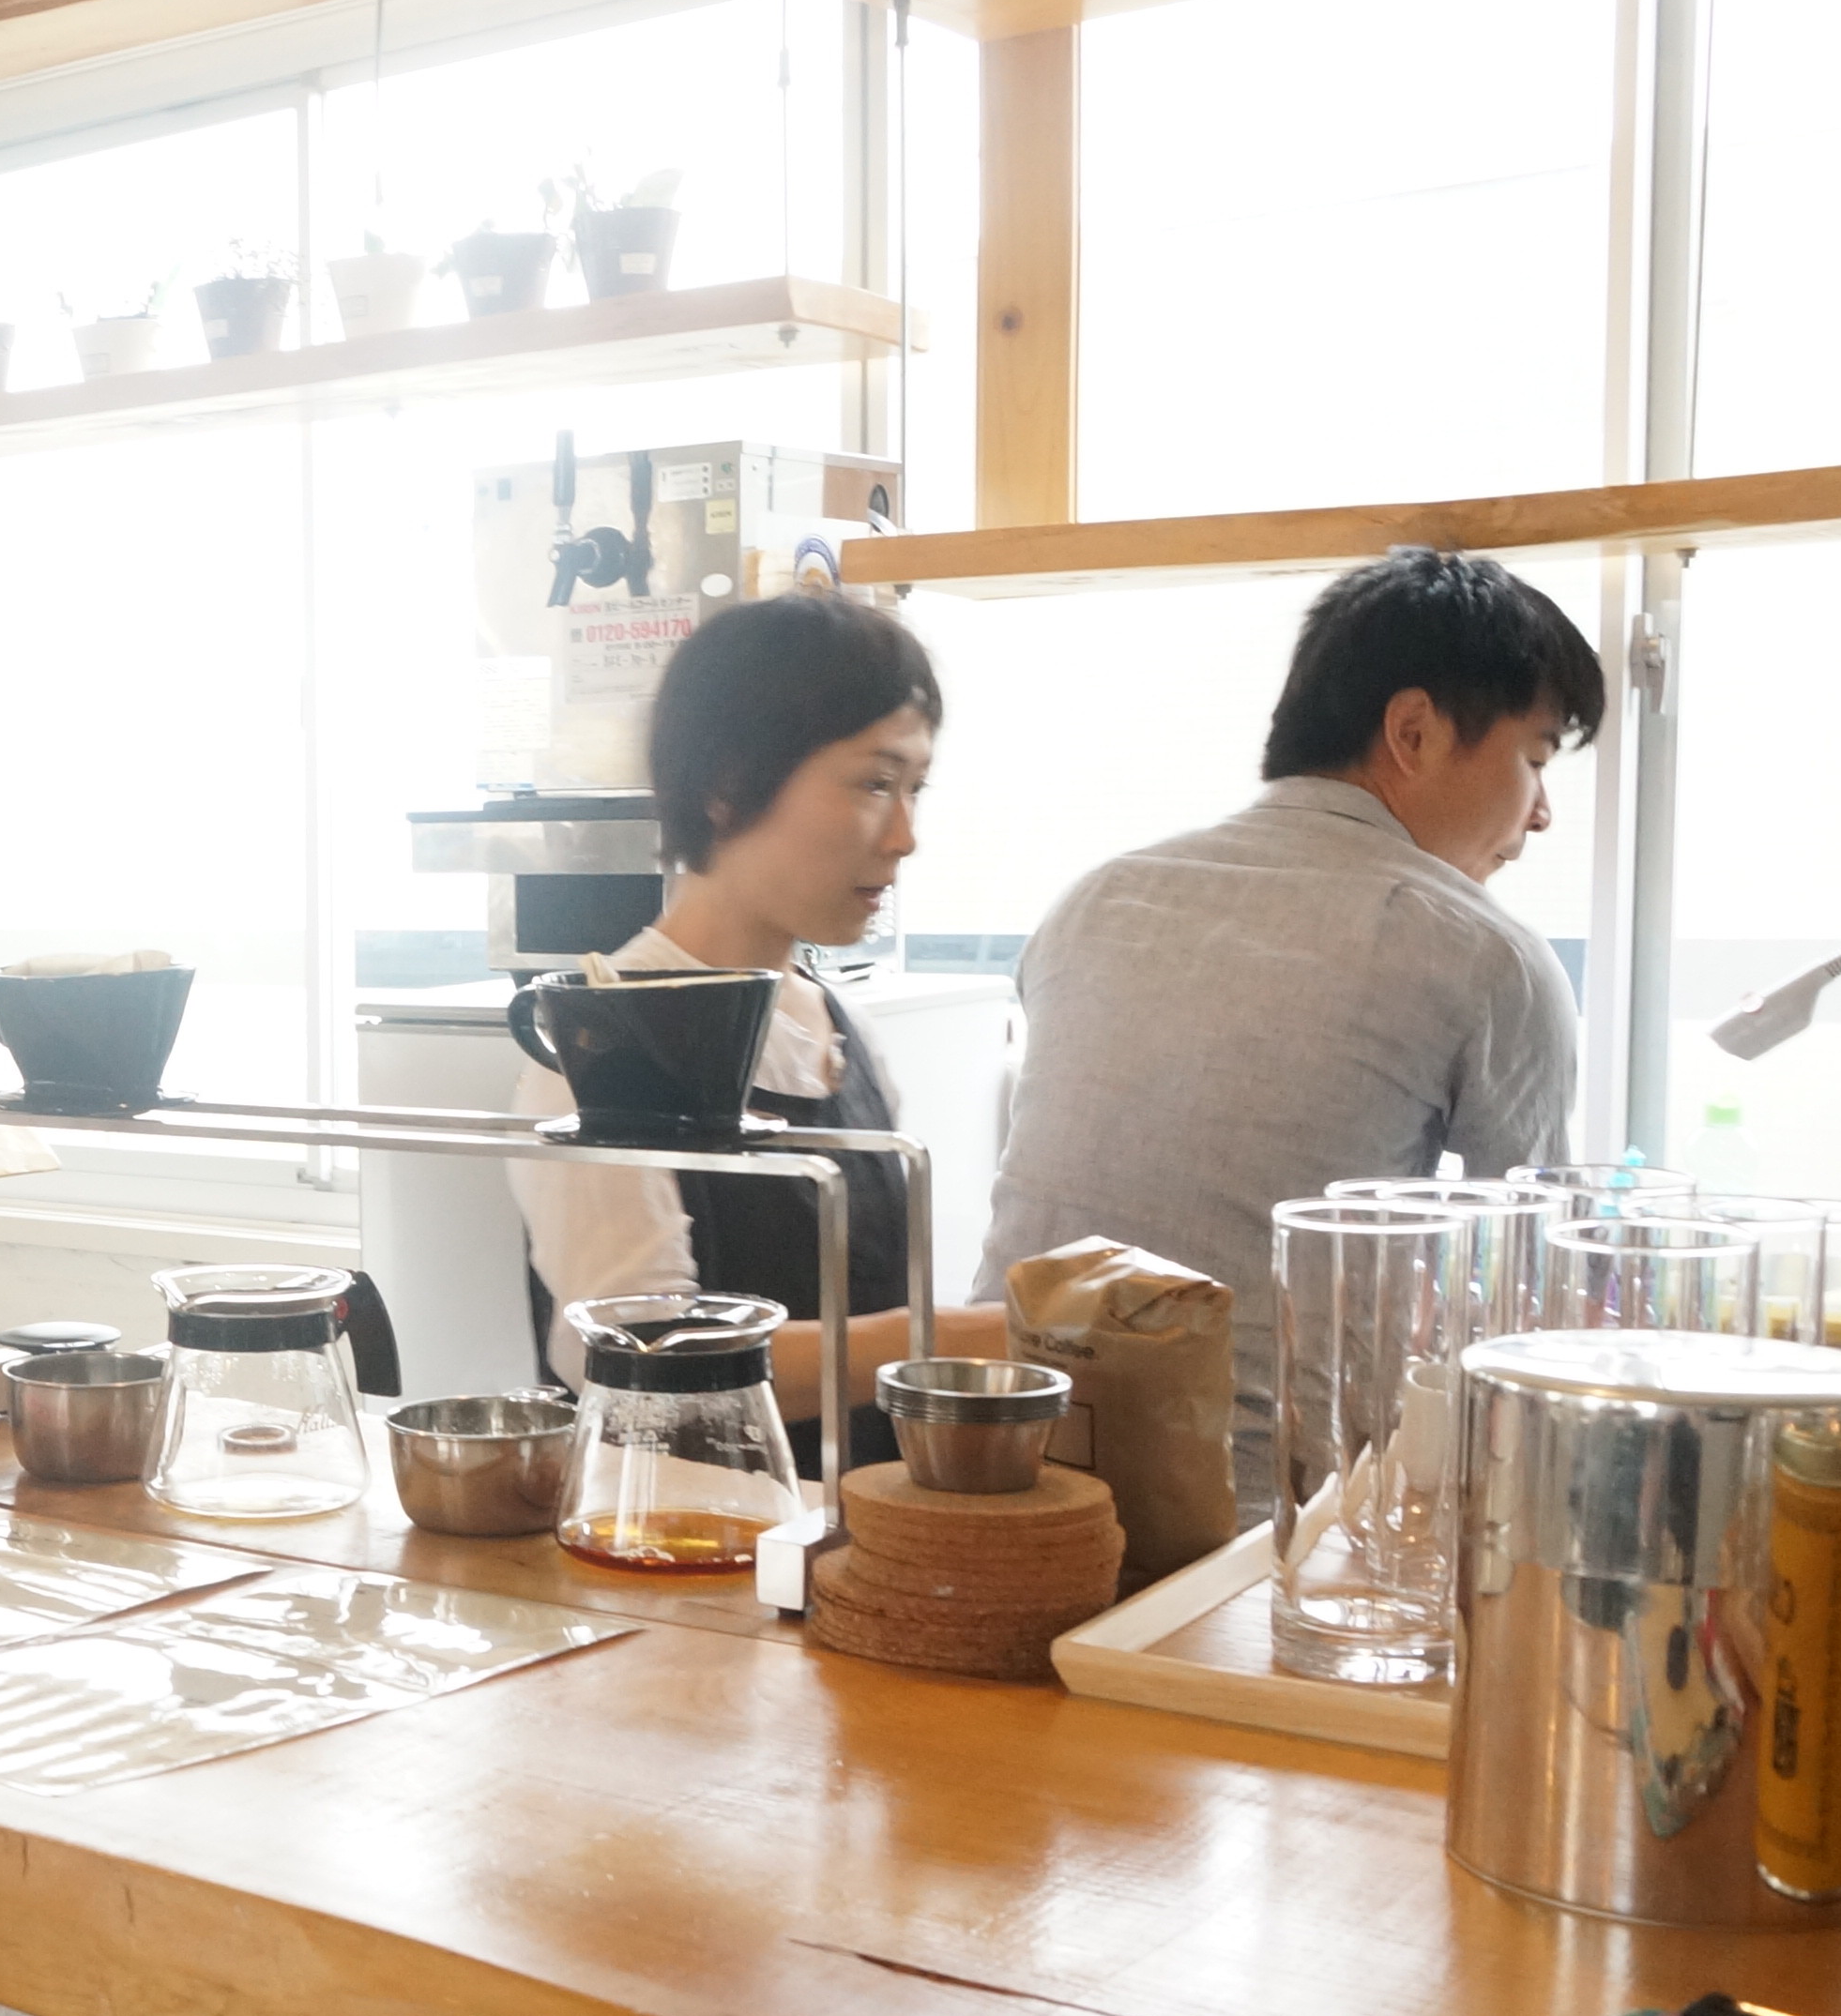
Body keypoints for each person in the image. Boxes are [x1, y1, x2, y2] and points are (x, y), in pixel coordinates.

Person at [970, 545, 1607, 1508]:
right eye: (1535, 759)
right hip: (1255, 1533)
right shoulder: (1485, 955)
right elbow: (1536, 1315)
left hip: (987, 1482)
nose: (1543, 813)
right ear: (1413, 731)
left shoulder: (1095, 898)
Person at [509, 590, 1009, 1468]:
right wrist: (963, 1335)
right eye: (874, 783)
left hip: (853, 1524)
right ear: (727, 787)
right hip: (687, 1531)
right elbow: (640, 1363)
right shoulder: (600, 1047)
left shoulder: (841, 1025)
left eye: (915, 789)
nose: (904, 836)